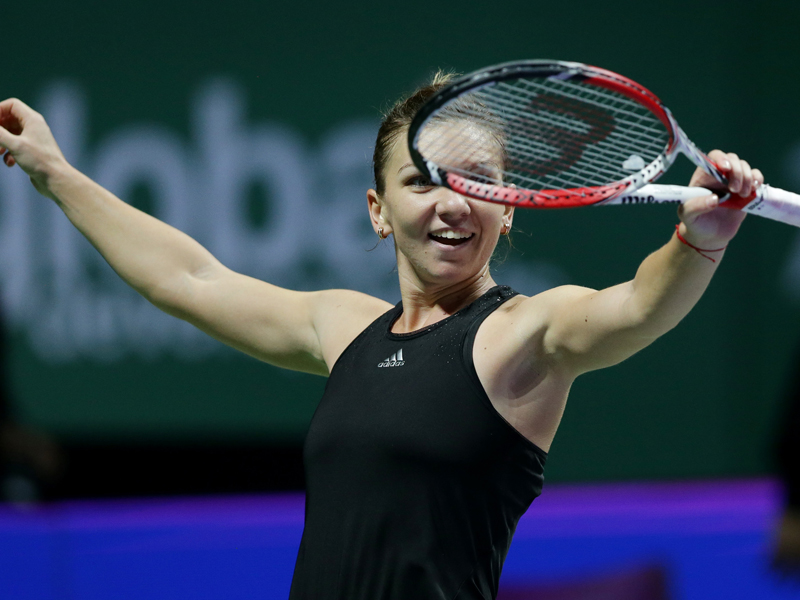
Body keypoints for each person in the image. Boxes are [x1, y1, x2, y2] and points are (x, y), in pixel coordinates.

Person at [0, 73, 762, 599]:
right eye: (423, 180)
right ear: (379, 210)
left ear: (509, 207)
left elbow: (638, 307)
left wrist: (698, 240)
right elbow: (189, 279)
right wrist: (54, 173)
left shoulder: (525, 333)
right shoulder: (344, 328)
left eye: (475, 181)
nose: (451, 203)